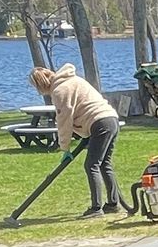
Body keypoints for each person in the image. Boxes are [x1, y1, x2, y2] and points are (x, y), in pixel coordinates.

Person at [31, 65, 122, 215]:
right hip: (110, 119)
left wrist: (65, 147)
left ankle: (96, 208)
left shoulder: (59, 91)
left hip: (98, 123)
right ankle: (113, 203)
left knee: (91, 165)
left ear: (41, 85)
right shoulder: (74, 79)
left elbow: (64, 121)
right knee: (104, 163)